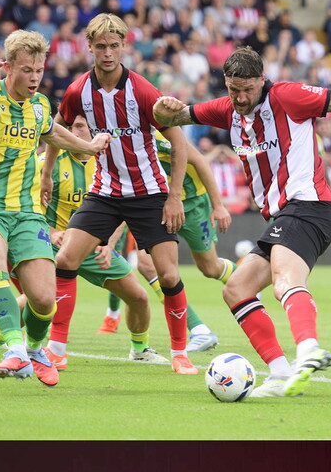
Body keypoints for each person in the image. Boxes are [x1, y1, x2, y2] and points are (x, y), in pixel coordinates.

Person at [152, 46, 331, 397]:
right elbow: (172, 118)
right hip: (283, 214)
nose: (241, 98)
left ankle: (309, 349)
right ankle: (279, 375)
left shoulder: (288, 96)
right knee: (236, 288)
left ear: (262, 79)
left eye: (248, 89)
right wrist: (161, 108)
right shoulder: (226, 110)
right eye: (234, 90)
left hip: (308, 204)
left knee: (284, 278)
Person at [0, 30, 111, 385]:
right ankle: (14, 349)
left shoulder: (40, 105)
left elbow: (53, 133)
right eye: (27, 70)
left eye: (39, 70)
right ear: (8, 67)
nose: (35, 77)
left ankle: (35, 348)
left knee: (43, 299)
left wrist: (88, 148)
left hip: (26, 213)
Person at [40, 13, 199, 375]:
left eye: (114, 46)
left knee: (169, 276)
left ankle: (180, 353)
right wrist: (47, 173)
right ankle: (57, 349)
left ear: (124, 46)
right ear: (90, 47)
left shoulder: (143, 90)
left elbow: (178, 144)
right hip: (105, 192)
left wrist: (173, 196)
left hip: (150, 193)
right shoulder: (78, 90)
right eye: (101, 46)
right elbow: (56, 129)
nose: (108, 53)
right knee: (65, 260)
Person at [22, 114, 170, 371]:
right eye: (71, 127)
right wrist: (52, 231)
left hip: (94, 247)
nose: (75, 132)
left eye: (81, 126)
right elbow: (24, 208)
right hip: (53, 243)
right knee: (37, 297)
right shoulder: (47, 163)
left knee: (138, 298)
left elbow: (126, 204)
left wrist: (108, 243)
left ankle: (140, 350)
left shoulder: (111, 163)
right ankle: (1, 342)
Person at [98, 129, 238, 352]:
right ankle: (199, 330)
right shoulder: (120, 149)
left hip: (192, 204)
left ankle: (244, 280)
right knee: (146, 263)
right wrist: (111, 243)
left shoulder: (159, 138)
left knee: (210, 268)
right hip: (158, 206)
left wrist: (219, 206)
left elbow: (200, 161)